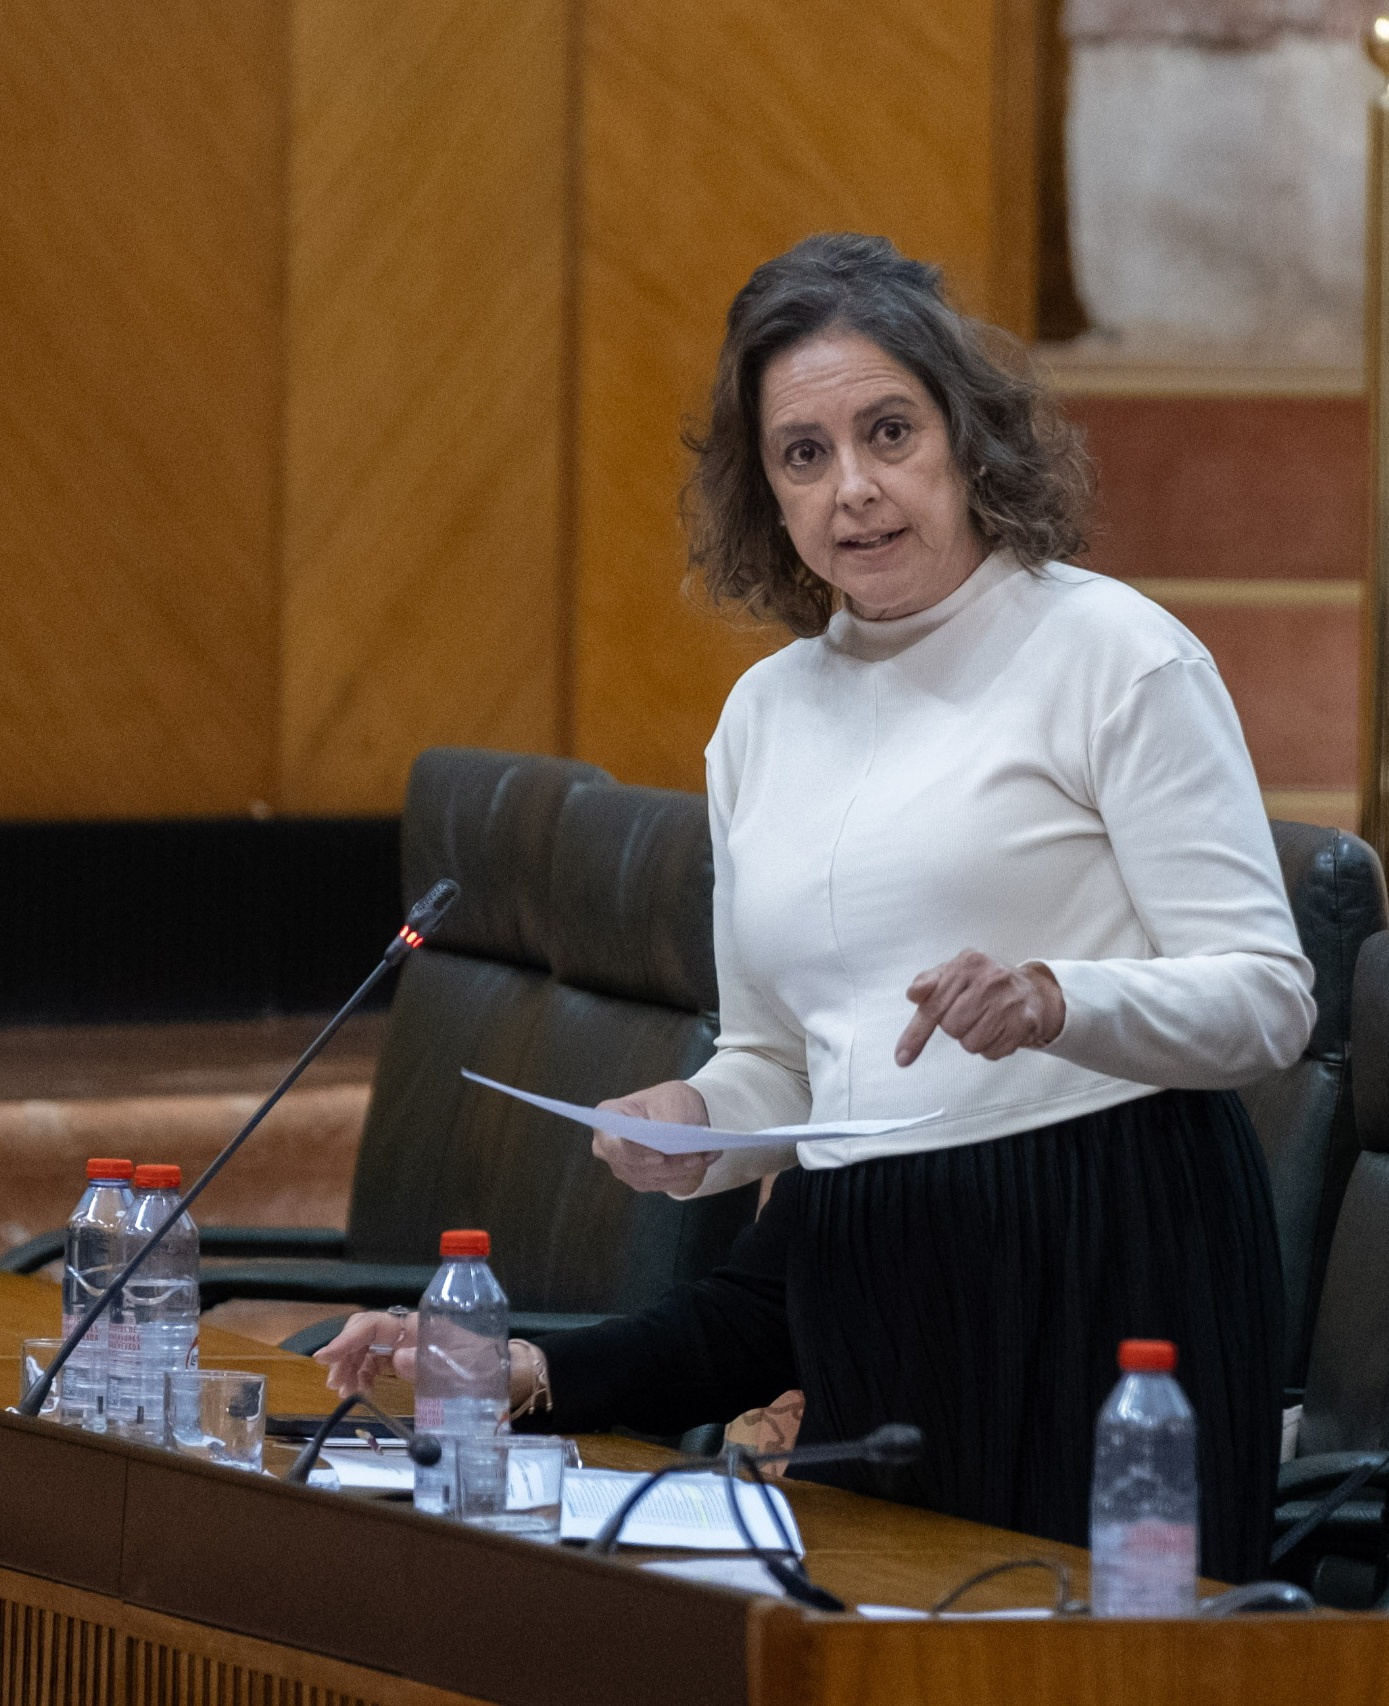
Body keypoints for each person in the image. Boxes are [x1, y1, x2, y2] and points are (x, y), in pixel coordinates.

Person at [319, 232, 1314, 1582]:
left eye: (889, 432)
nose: (854, 488)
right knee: (874, 1641)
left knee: (1075, 1662)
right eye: (804, 454)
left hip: (1110, 1249)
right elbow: (782, 1060)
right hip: (871, 1269)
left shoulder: (1114, 655)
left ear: (966, 438)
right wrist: (693, 1120)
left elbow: (1269, 1000)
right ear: (767, 496)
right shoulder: (763, 719)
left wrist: (1057, 998)